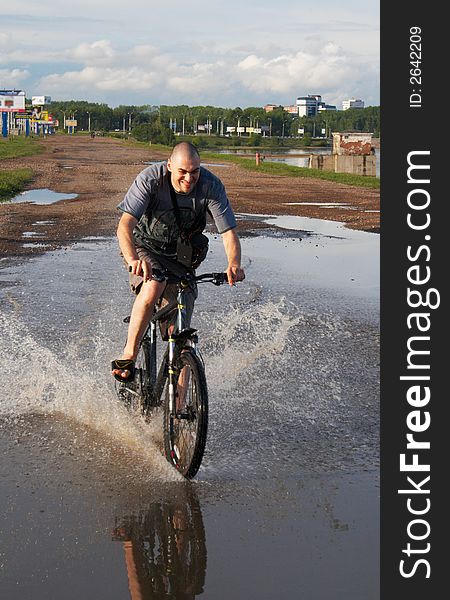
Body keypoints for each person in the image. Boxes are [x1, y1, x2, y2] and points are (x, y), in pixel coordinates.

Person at [112, 141, 245, 381]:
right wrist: (133, 259)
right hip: (145, 249)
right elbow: (125, 225)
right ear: (169, 166)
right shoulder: (151, 180)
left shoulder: (211, 186)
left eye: (194, 171)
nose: (188, 178)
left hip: (182, 258)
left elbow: (228, 234)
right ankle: (129, 355)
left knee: (182, 337)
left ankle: (182, 410)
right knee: (154, 285)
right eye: (182, 171)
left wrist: (233, 264)